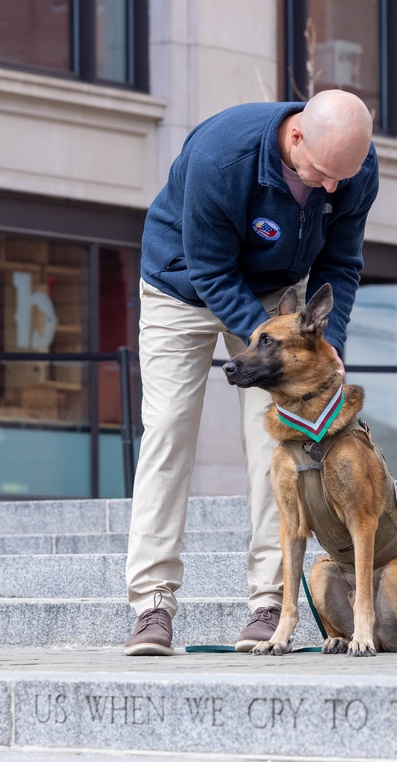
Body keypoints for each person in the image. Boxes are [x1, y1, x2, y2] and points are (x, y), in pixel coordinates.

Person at [124, 90, 379, 656]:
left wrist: (325, 345)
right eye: (323, 174)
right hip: (182, 284)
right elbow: (212, 271)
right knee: (167, 429)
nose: (333, 188)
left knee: (278, 446)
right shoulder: (223, 156)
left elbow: (341, 262)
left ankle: (270, 601)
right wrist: (262, 340)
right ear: (295, 139)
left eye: (344, 177)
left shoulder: (350, 165)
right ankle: (152, 605)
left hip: (275, 296)